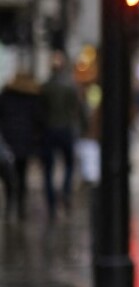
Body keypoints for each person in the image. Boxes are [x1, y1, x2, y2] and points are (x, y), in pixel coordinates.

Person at [39, 53, 87, 218]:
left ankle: (52, 201)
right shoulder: (70, 86)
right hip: (65, 129)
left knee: (48, 169)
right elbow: (78, 109)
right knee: (68, 165)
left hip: (49, 131)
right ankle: (65, 191)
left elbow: (40, 111)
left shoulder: (45, 87)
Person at [0, 70, 45, 221]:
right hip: (25, 141)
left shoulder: (6, 95)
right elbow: (38, 120)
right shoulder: (32, 97)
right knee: (22, 174)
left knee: (8, 175)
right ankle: (20, 208)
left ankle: (10, 205)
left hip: (8, 141)